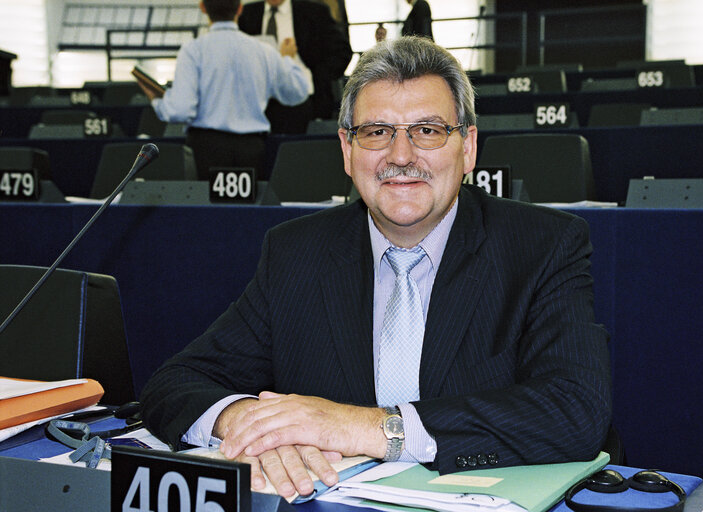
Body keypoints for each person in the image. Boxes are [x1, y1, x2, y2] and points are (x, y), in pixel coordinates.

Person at [140, 36, 612, 500]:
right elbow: (174, 383)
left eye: (427, 130)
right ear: (347, 150)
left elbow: (576, 410)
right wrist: (247, 421)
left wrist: (367, 428)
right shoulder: (296, 253)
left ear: (467, 147)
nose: (401, 156)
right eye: (376, 132)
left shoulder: (543, 245)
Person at [137, 0, 310, 181]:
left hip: (206, 148)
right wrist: (288, 59)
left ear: (203, 7)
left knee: (207, 208)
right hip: (252, 148)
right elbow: (297, 93)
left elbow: (180, 110)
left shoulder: (193, 50)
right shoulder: (263, 50)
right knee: (249, 208)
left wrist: (157, 101)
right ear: (240, 8)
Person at [238, 0, 353, 133]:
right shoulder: (247, 14)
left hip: (304, 99)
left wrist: (316, 79)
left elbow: (341, 52)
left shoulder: (314, 12)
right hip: (258, 100)